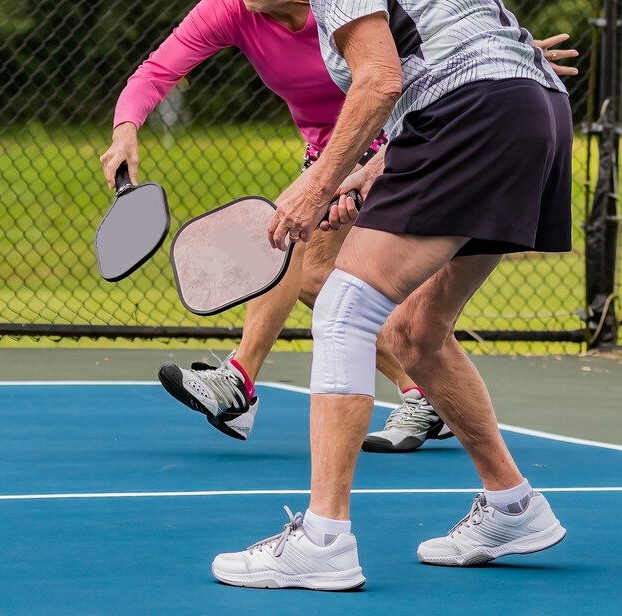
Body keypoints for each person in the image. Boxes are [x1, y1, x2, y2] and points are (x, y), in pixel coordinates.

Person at [100, 0, 576, 452]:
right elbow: (158, 70)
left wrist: (506, 57)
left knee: (310, 265)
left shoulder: (343, 4)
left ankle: (242, 384)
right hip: (328, 154)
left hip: (402, 135)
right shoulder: (230, 11)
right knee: (316, 279)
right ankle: (419, 390)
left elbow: (423, 40)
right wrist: (125, 130)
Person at [211, 0, 572, 590]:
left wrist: (316, 184)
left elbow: (382, 78)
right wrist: (372, 170)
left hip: (472, 113)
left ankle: (323, 542)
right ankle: (514, 508)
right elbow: (449, 57)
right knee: (415, 334)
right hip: (531, 110)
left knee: (343, 309)